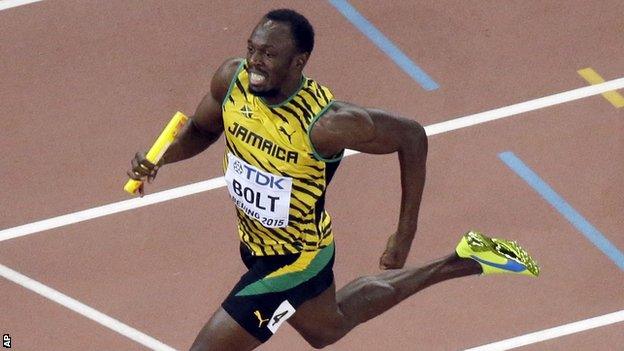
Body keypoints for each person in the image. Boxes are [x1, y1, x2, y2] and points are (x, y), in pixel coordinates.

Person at [127, 9, 540, 351]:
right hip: (256, 244)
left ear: (298, 62)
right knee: (328, 329)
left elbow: (412, 136)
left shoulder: (326, 124)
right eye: (252, 49)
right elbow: (202, 130)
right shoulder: (232, 82)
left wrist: (404, 234)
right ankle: (465, 260)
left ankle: (459, 260)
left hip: (296, 260)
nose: (255, 62)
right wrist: (161, 157)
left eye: (269, 55)